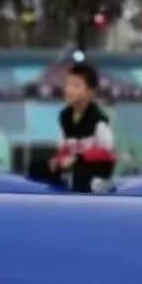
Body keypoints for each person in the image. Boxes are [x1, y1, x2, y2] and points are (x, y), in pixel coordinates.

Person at [52, 61, 116, 193]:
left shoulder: (98, 120)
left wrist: (79, 158)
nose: (69, 90)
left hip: (95, 169)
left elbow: (107, 153)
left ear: (90, 92)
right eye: (67, 85)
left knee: (80, 172)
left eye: (76, 86)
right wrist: (58, 160)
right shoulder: (65, 117)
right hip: (73, 166)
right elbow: (63, 149)